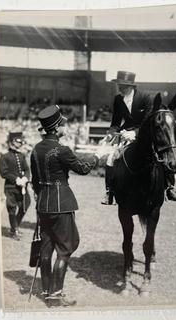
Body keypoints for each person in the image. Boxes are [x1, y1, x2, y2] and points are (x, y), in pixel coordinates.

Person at [30, 105, 109, 306]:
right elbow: (83, 168)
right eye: (63, 124)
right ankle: (55, 296)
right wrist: (98, 156)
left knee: (46, 250)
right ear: (56, 128)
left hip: (43, 205)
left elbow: (36, 181)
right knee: (65, 249)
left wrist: (42, 200)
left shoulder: (36, 149)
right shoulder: (61, 150)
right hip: (61, 205)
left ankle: (48, 293)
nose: (66, 127)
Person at [101, 71, 176, 205]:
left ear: (132, 86)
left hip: (143, 133)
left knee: (160, 155)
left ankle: (169, 187)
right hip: (125, 132)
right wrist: (110, 134)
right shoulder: (118, 99)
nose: (120, 88)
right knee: (110, 158)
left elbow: (147, 120)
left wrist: (135, 133)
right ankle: (109, 192)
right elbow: (115, 122)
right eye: (119, 85)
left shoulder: (145, 98)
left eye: (123, 85)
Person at [0, 132, 31, 240]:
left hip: (22, 187)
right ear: (12, 142)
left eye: (21, 141)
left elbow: (26, 169)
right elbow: (3, 172)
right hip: (11, 188)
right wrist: (15, 179)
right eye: (18, 141)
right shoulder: (4, 156)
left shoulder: (21, 156)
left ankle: (14, 228)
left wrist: (25, 178)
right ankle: (15, 230)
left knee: (25, 206)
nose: (21, 143)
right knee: (12, 208)